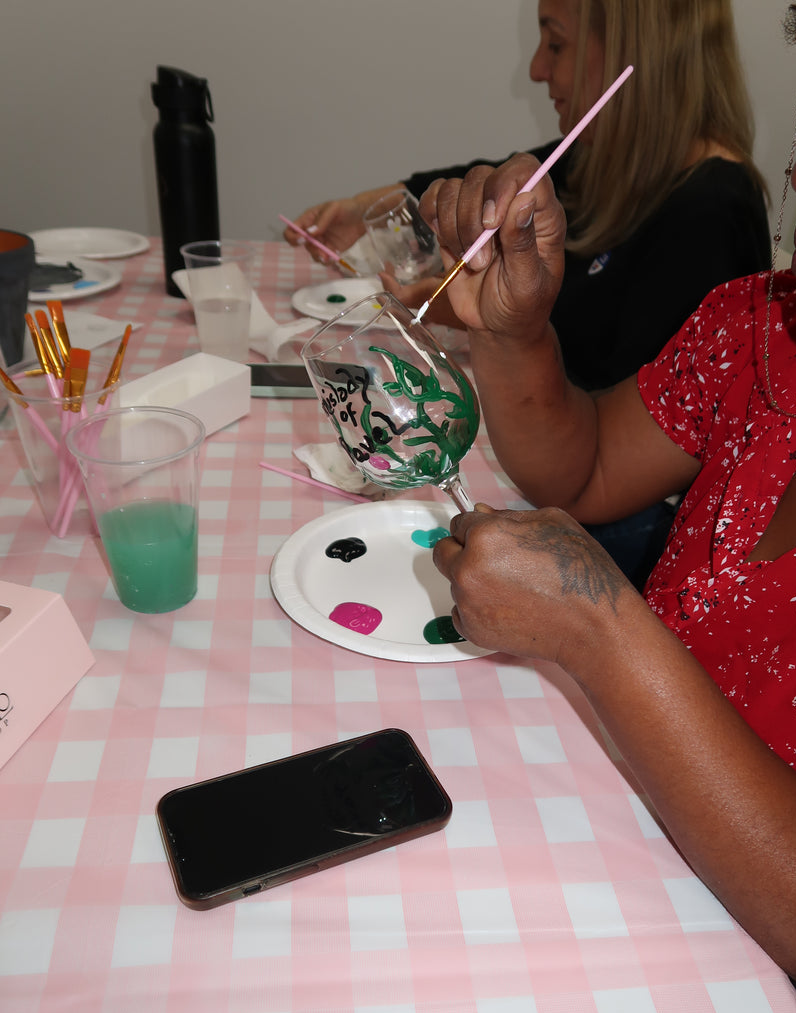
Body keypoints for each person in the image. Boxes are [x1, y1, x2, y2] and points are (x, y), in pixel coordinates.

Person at [420, 5, 796, 985]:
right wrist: (512, 333)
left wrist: (599, 630)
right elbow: (583, 471)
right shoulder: (755, 326)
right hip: (614, 851)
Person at [285, 0, 771, 586]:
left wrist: (492, 322)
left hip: (637, 548)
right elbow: (498, 178)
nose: (537, 69)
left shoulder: (712, 212)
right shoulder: (603, 162)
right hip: (558, 476)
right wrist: (369, 208)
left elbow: (611, 396)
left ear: (636, 52)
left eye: (556, 43)